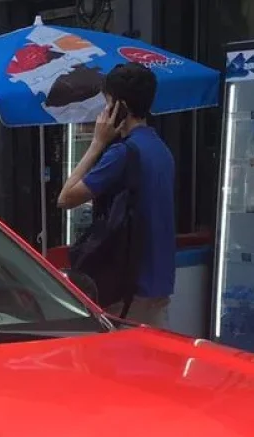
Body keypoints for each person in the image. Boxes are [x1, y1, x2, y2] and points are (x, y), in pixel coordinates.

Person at [57, 63, 176, 327]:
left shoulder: (122, 153)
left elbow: (66, 197)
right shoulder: (161, 150)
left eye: (106, 103)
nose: (102, 113)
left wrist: (97, 143)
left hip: (127, 291)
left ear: (118, 106)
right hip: (157, 286)